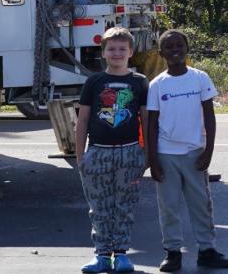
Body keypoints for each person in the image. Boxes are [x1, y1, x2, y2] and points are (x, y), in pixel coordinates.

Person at [146, 29, 228, 272]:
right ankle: (172, 252)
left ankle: (207, 250)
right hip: (166, 155)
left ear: (186, 48)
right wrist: (153, 159)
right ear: (161, 53)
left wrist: (208, 151)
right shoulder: (157, 84)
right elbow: (151, 123)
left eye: (179, 45)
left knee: (201, 203)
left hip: (195, 152)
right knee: (169, 206)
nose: (175, 50)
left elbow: (209, 115)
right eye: (169, 46)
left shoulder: (200, 78)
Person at [75, 27, 149, 274]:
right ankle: (102, 255)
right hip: (98, 152)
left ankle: (122, 254)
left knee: (124, 205)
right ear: (103, 53)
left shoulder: (139, 82)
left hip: (129, 153)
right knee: (99, 206)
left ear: (131, 52)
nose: (117, 53)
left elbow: (146, 120)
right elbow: (83, 120)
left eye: (122, 49)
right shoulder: (94, 82)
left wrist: (146, 152)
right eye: (111, 49)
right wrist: (80, 155)